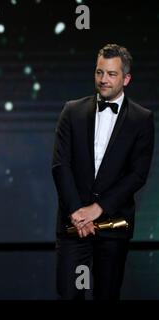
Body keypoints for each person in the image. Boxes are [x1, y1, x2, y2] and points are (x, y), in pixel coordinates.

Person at [52, 44, 154, 300]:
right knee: (69, 295)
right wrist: (77, 212)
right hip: (73, 226)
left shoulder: (142, 119)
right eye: (99, 72)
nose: (103, 80)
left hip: (113, 226)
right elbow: (59, 165)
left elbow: (137, 175)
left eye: (111, 74)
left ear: (126, 79)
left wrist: (98, 208)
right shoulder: (72, 111)